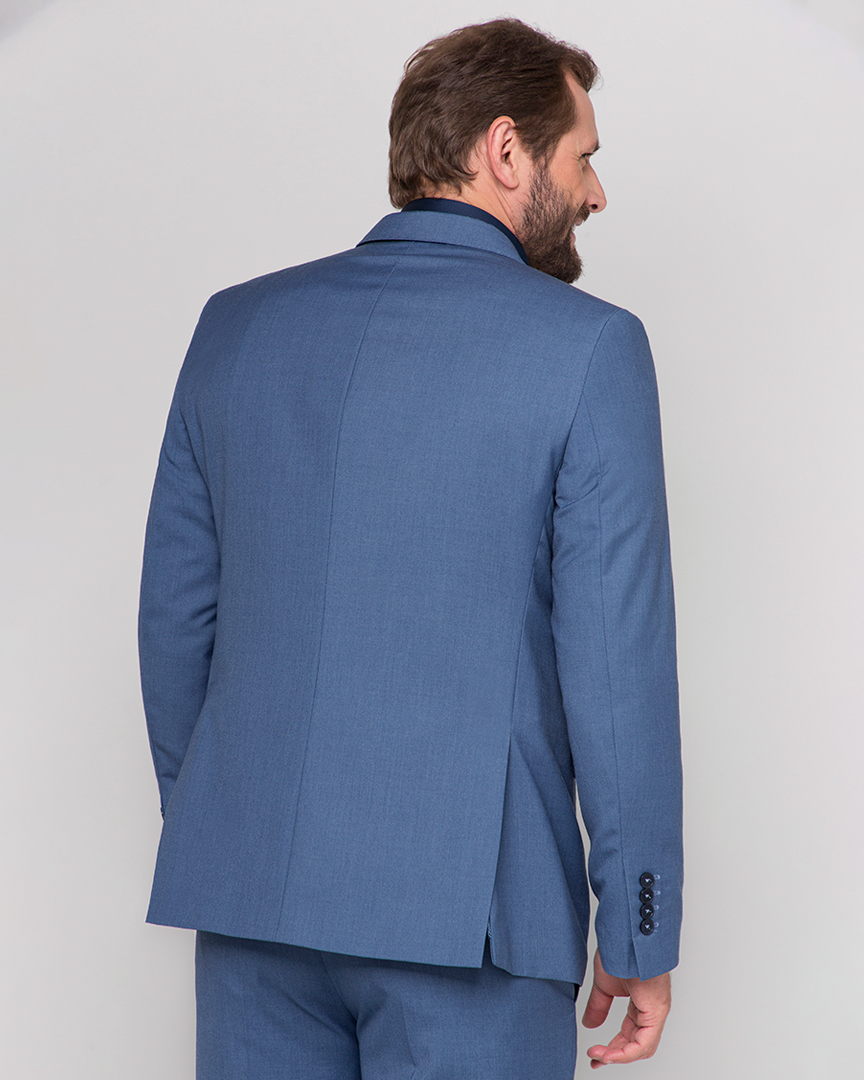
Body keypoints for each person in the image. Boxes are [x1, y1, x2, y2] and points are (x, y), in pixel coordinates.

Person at [138, 17, 683, 1078]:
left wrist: (230, 826)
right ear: (506, 149)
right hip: (472, 922)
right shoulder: (589, 349)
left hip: (253, 900)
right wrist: (638, 929)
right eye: (585, 157)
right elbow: (616, 673)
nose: (597, 193)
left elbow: (176, 624)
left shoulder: (235, 328)